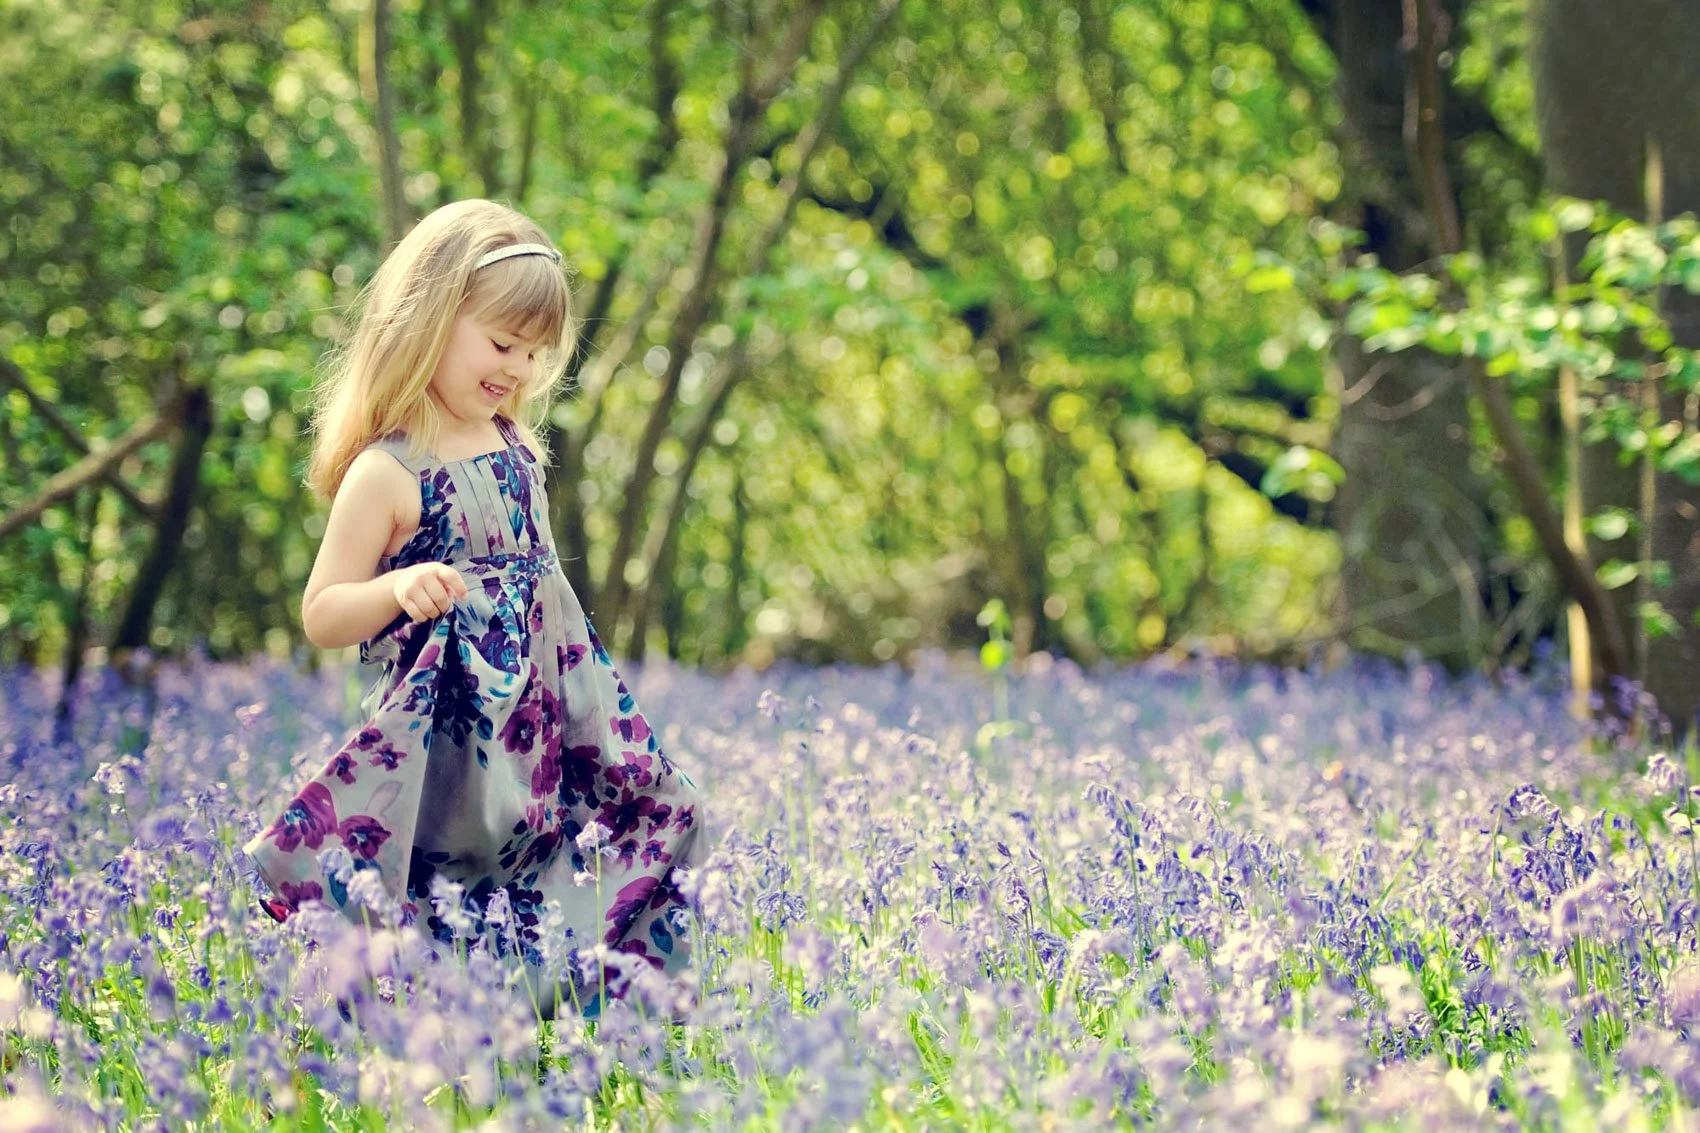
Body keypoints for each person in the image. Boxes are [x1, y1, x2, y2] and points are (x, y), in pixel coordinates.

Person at [242, 198, 706, 1020]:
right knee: (453, 882)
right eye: (501, 343)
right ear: (430, 318)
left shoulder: (518, 449)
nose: (519, 368)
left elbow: (541, 596)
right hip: (448, 739)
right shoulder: (388, 473)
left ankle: (591, 1023)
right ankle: (435, 1042)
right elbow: (322, 610)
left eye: (535, 352)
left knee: (659, 813)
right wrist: (392, 590)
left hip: (546, 716)